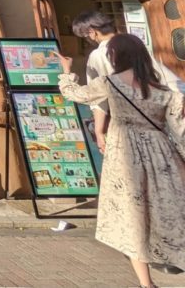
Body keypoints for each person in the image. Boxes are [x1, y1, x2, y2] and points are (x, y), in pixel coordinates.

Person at [56, 33, 185, 288]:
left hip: (125, 155)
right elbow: (179, 130)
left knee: (133, 218)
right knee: (167, 214)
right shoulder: (162, 90)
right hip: (161, 156)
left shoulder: (110, 83)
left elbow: (75, 94)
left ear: (115, 56)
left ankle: (147, 284)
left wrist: (66, 71)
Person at [70, 10, 183, 154]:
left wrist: (98, 131)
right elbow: (168, 80)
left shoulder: (98, 55)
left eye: (85, 36)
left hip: (130, 129)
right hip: (162, 121)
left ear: (92, 32)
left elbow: (98, 100)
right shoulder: (135, 46)